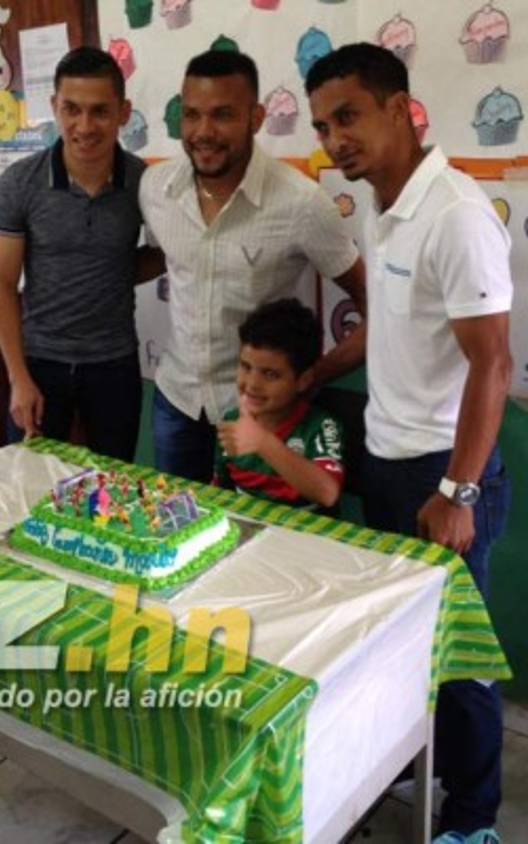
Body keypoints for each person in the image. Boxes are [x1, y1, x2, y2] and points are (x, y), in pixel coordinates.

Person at [308, 43, 513, 844]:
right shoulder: (379, 208)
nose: (335, 138)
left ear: (401, 110)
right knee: (396, 645)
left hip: (443, 473)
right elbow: (387, 329)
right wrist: (315, 373)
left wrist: (458, 492)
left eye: (349, 117)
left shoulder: (455, 214)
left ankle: (472, 821)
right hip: (386, 462)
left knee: (459, 658)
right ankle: (405, 763)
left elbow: (492, 362)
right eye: (325, 125)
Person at [139, 49, 367, 483]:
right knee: (174, 530)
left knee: (251, 542)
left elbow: (372, 303)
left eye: (222, 115)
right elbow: (159, 257)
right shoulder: (156, 188)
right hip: (177, 400)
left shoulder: (301, 204)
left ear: (257, 117)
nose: (203, 132)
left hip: (262, 417)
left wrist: (312, 375)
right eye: (191, 115)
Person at [0, 46, 146, 461]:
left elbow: (172, 252)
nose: (84, 125)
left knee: (114, 487)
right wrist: (17, 377)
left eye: (100, 111)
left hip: (115, 362)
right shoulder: (19, 183)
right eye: (71, 109)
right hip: (40, 361)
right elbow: (2, 284)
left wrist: (112, 271)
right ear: (54, 107)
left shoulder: (144, 183)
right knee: (29, 485)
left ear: (123, 112)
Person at [213, 299, 345, 510]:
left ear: (303, 380)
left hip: (303, 539)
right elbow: (220, 492)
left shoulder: (320, 426)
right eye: (246, 367)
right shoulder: (232, 422)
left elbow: (328, 493)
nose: (253, 384)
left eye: (270, 374)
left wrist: (261, 442)